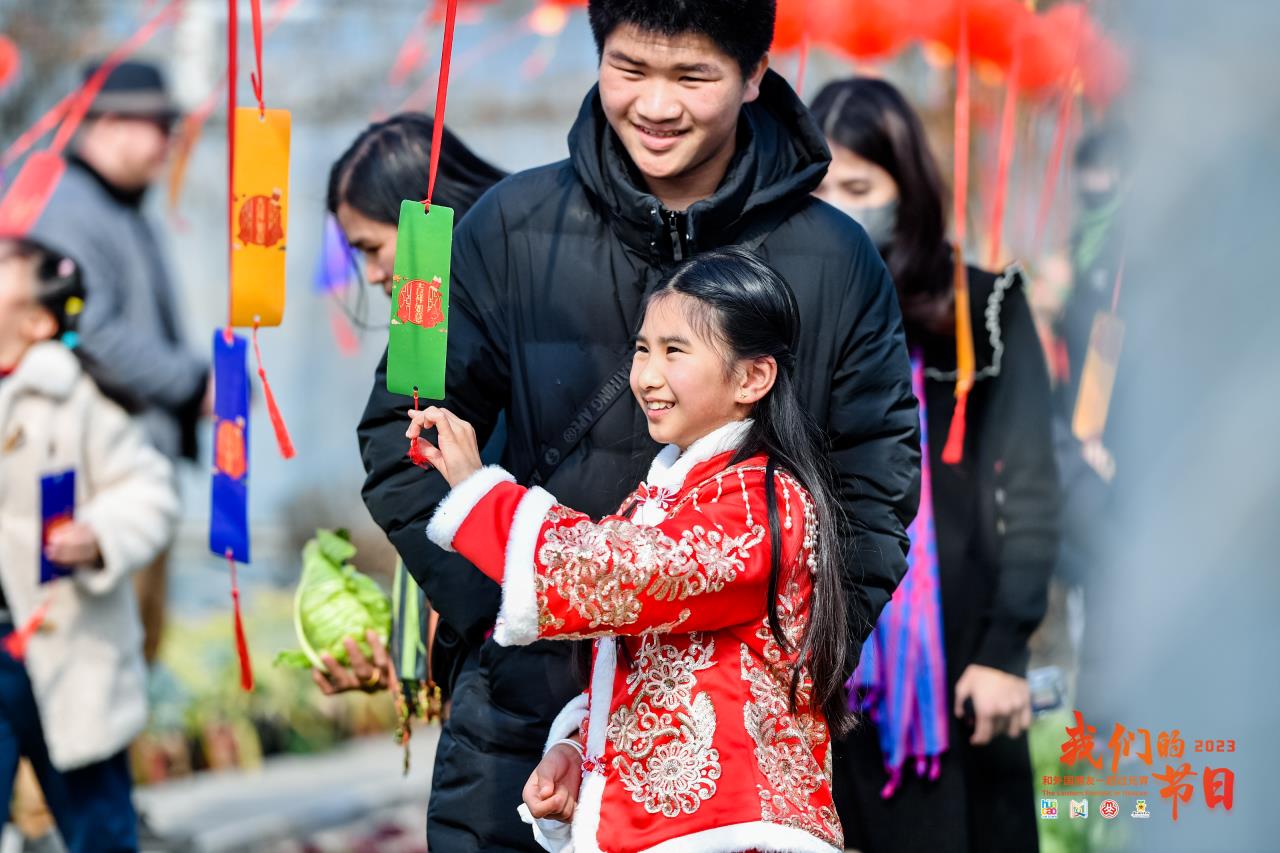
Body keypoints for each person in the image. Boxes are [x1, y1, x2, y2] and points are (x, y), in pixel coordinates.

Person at [358, 3, 920, 848]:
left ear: (755, 73)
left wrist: (795, 654)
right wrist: (510, 613)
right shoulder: (495, 228)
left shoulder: (838, 258)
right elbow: (401, 432)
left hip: (728, 752)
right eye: (630, 70)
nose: (656, 106)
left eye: (693, 76)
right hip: (521, 721)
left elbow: (876, 482)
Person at [411, 248, 848, 852]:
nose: (646, 375)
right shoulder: (666, 494)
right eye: (643, 348)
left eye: (675, 351)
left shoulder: (761, 503)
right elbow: (641, 659)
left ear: (753, 377)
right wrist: (576, 752)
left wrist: (478, 491)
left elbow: (612, 571)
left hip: (736, 830)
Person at [811, 77, 1059, 852]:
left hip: (959, 664)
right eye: (820, 187)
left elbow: (1032, 490)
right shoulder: (787, 313)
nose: (838, 206)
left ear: (906, 189)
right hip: (823, 660)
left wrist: (1005, 650)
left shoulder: (983, 311)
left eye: (859, 186)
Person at [0, 236, 179, 851]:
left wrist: (99, 535)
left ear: (36, 321)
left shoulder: (75, 399)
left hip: (69, 643)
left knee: (98, 826)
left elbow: (149, 491)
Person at [30, 60, 207, 665]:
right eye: (161, 125)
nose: (170, 142)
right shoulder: (70, 209)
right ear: (108, 124)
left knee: (130, 660)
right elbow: (92, 329)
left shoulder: (118, 207)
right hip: (96, 483)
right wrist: (192, 382)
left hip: (131, 476)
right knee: (94, 668)